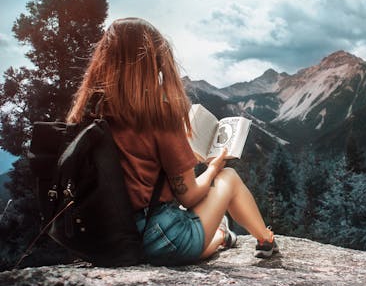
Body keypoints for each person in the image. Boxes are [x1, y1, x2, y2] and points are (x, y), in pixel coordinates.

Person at [66, 17, 278, 265]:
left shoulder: (87, 112)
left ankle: (220, 236)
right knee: (228, 178)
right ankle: (265, 240)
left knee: (198, 226)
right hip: (158, 239)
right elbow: (188, 197)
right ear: (154, 66)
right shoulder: (158, 115)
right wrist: (213, 168)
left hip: (105, 239)